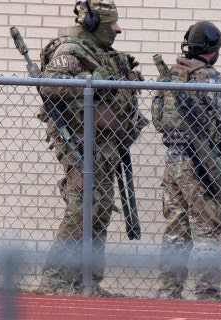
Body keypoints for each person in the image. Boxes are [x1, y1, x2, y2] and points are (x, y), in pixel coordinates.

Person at [38, 0, 146, 296]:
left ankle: (88, 282)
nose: (117, 30)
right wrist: (91, 81)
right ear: (92, 23)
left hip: (106, 146)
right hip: (81, 144)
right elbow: (50, 85)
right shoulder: (72, 49)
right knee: (81, 207)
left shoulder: (103, 53)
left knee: (99, 211)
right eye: (112, 24)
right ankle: (56, 280)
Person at [150, 21, 221, 301]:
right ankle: (207, 296)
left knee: (176, 231)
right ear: (212, 48)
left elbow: (159, 120)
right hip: (202, 165)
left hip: (173, 163)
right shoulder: (208, 77)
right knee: (207, 230)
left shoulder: (169, 76)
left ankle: (168, 293)